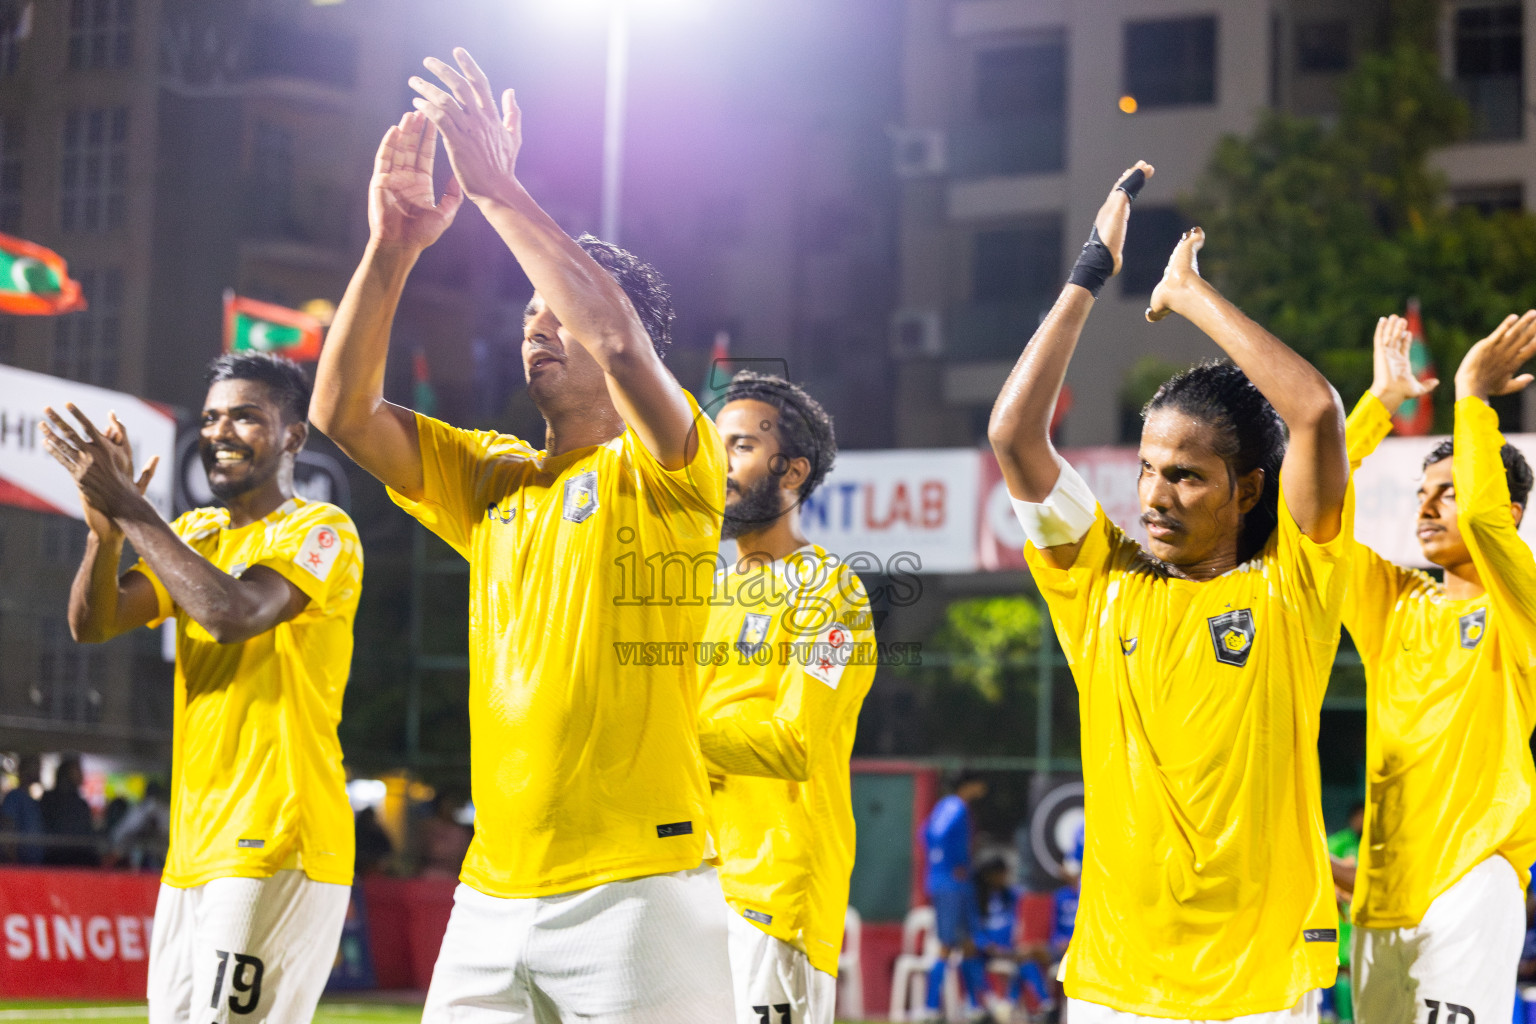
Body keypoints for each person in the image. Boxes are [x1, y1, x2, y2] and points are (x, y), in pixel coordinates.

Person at [309, 49, 732, 1021]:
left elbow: (619, 336)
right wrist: (395, 245)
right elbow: (342, 409)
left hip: (639, 890)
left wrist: (495, 186)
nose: (538, 326)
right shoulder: (493, 476)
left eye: (559, 314)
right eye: (529, 313)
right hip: (492, 894)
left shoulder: (673, 469)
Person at [988, 161, 1351, 1021]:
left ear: (1248, 491)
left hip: (1257, 983)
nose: (1153, 495)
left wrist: (1187, 293)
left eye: (1185, 476)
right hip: (1119, 983)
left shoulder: (1293, 588)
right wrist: (1090, 275)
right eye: (1147, 469)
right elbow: (1014, 433)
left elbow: (1316, 414)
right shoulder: (1100, 581)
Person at [42, 352, 362, 1023]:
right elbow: (92, 624)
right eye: (213, 416)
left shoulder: (322, 531)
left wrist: (130, 506)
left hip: (279, 839)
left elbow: (232, 615)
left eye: (246, 416)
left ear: (293, 437)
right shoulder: (195, 534)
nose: (220, 430)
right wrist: (105, 535)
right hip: (193, 852)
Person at [1337, 311, 1536, 1023]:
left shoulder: (1521, 602)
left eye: (1445, 492)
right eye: (1422, 495)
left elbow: (1484, 524)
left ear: (1510, 512)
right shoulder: (1394, 602)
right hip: (1380, 894)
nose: (1427, 507)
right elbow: (1309, 524)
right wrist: (1378, 406)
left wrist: (1472, 397)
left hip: (1474, 879)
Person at [697, 371, 877, 1024]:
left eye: (740, 446)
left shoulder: (832, 595)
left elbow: (796, 742)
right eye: (716, 446)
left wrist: (669, 732)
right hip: (686, 885)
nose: (718, 464)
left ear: (792, 471)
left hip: (773, 894)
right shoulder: (707, 591)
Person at [922, 770, 989, 1020]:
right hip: (951, 884)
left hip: (955, 884)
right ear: (970, 784)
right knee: (946, 945)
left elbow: (924, 833)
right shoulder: (954, 806)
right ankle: (929, 1008)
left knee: (969, 944)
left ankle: (975, 1006)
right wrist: (953, 864)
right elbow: (936, 835)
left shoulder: (947, 806)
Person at [960, 854, 1028, 1024]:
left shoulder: (1012, 896)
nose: (1003, 878)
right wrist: (987, 945)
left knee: (1026, 960)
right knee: (968, 958)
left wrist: (1010, 947)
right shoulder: (976, 899)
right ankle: (981, 1005)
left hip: (1010, 949)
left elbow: (1019, 924)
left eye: (1005, 874)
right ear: (989, 875)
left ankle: (1010, 1003)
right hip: (987, 950)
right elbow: (973, 929)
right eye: (1000, 874)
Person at [1324, 802, 1364, 1022]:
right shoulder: (1339, 842)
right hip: (1344, 918)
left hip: (1364, 917)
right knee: (1344, 969)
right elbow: (1321, 863)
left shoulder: (1371, 843)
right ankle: (1345, 1019)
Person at [39, 753, 99, 867]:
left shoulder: (81, 804)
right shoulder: (50, 799)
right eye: (78, 769)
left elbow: (88, 837)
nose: (82, 774)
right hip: (57, 859)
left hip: (80, 861)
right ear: (66, 772)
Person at [111, 779, 171, 871]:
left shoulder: (165, 812)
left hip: (162, 858)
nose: (153, 802)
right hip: (138, 858)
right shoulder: (139, 810)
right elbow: (121, 834)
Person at [0, 754, 45, 865]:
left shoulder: (32, 800)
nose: (39, 770)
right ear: (25, 769)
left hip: (35, 867)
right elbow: (7, 827)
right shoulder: (14, 796)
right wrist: (12, 861)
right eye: (35, 766)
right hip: (19, 867)